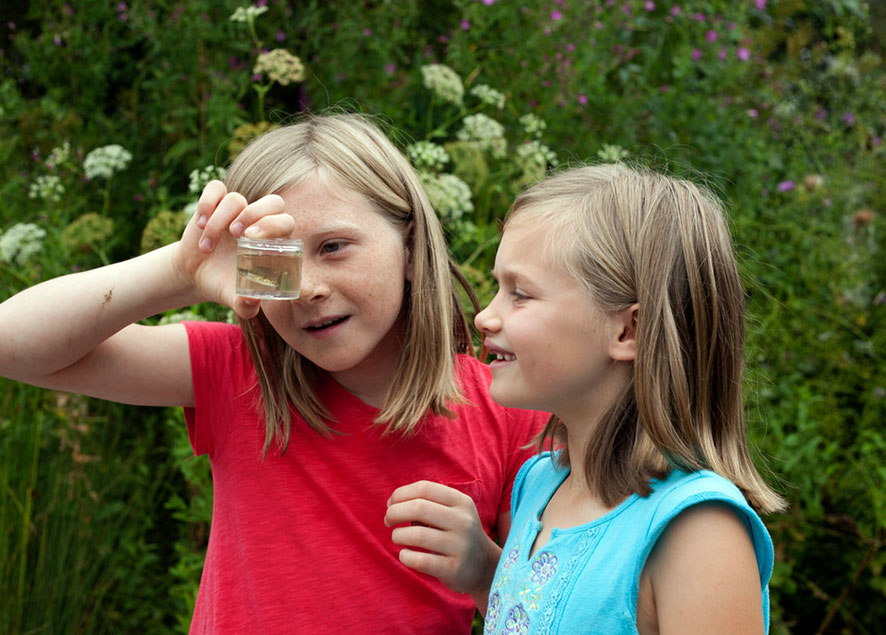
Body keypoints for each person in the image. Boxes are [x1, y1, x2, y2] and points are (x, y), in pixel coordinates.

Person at [0, 113, 547, 633]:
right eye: (275, 261)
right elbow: (13, 345)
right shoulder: (236, 373)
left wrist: (483, 571)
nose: (307, 286)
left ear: (408, 246)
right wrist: (182, 270)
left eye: (333, 247)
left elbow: (552, 615)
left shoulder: (506, 408)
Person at [466, 163, 787, 634]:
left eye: (520, 294)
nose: (485, 318)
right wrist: (481, 576)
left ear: (627, 330)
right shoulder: (539, 485)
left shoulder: (696, 531)